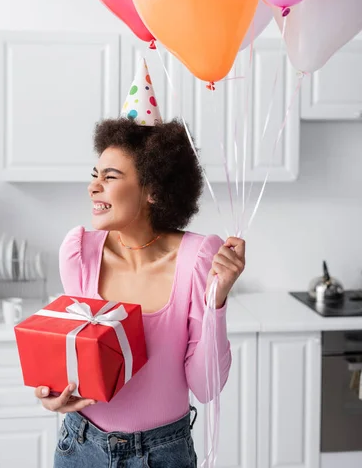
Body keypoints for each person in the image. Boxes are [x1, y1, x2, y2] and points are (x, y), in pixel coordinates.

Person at [35, 60, 246, 468]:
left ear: (152, 189)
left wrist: (216, 301)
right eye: (95, 173)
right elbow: (75, 360)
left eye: (111, 177)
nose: (94, 186)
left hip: (163, 453)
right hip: (80, 445)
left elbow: (206, 387)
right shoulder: (80, 252)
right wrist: (53, 393)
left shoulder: (199, 258)